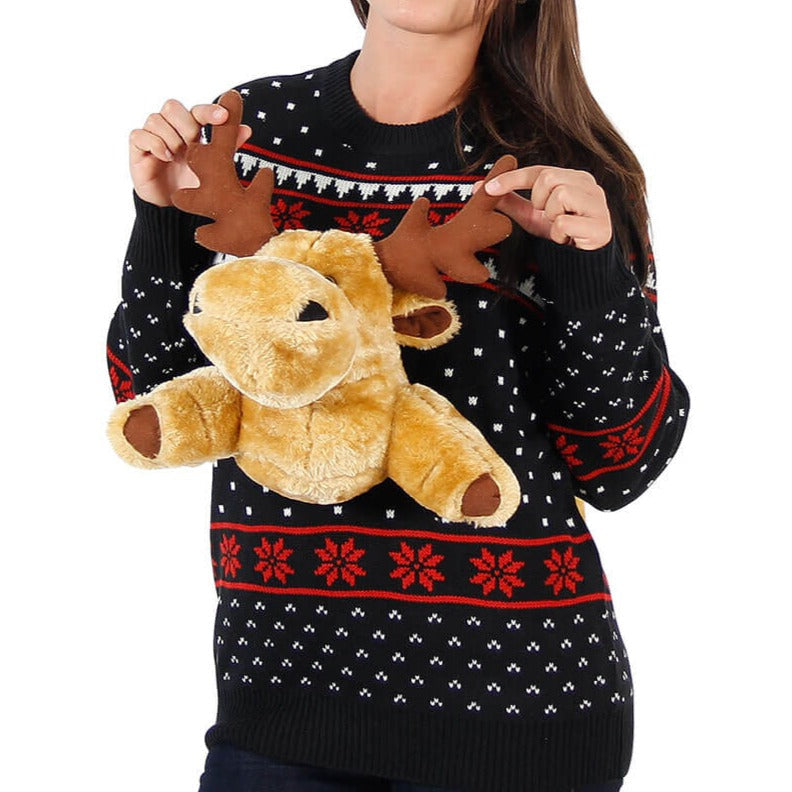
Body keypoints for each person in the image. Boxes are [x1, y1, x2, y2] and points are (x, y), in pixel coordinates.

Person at [106, 1, 690, 789]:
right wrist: (155, 217)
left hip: (516, 715)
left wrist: (591, 274)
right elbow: (152, 397)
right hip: (280, 702)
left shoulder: (563, 176)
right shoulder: (245, 138)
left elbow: (621, 465)